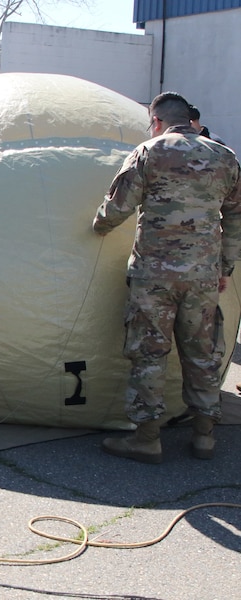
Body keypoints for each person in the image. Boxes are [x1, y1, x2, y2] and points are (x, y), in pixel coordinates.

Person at [92, 91, 241, 463]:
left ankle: (146, 439)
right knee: (202, 354)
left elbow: (119, 206)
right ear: (190, 120)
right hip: (204, 276)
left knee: (149, 354)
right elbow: (237, 219)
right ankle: (204, 437)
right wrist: (225, 268)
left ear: (156, 121)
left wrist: (98, 225)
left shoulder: (150, 151)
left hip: (153, 277)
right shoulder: (225, 157)